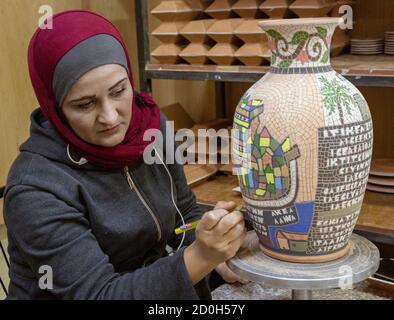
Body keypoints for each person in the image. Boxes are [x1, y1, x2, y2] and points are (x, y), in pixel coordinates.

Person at [2, 10, 248, 300]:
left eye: (119, 91)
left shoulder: (151, 131)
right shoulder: (37, 190)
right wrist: (199, 258)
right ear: (55, 108)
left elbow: (185, 214)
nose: (109, 117)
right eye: (84, 104)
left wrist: (211, 234)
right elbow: (99, 295)